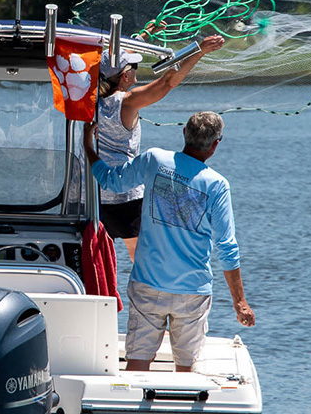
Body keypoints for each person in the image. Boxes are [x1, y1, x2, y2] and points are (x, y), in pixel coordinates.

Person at [84, 111, 255, 372]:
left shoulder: (154, 159)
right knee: (186, 369)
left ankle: (132, 410)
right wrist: (240, 302)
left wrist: (88, 147)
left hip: (148, 285)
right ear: (215, 145)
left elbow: (111, 182)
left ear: (184, 133)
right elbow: (227, 247)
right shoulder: (217, 184)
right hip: (193, 291)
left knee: (137, 364)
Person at [87, 34, 226, 261]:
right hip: (125, 193)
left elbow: (113, 56)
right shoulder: (127, 101)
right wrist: (198, 51)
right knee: (141, 260)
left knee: (100, 261)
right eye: (134, 66)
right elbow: (167, 82)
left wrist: (143, 37)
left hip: (92, 194)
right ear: (124, 75)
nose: (137, 69)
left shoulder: (89, 98)